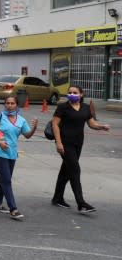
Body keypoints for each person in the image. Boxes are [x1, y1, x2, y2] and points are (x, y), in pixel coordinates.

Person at [51, 85, 111, 213]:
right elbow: (55, 124)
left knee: (66, 170)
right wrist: (59, 143)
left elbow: (91, 123)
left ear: (81, 94)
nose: (72, 94)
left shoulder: (85, 108)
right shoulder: (63, 107)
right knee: (75, 170)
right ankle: (81, 203)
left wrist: (101, 126)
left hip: (78, 143)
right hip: (65, 142)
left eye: (75, 92)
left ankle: (57, 198)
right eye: (70, 92)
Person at [0, 95, 37, 220]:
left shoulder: (21, 120)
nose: (9, 105)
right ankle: (13, 208)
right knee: (7, 179)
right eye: (7, 103)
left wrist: (34, 127)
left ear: (16, 105)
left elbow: (27, 135)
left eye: (12, 103)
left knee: (4, 178)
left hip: (12, 153)